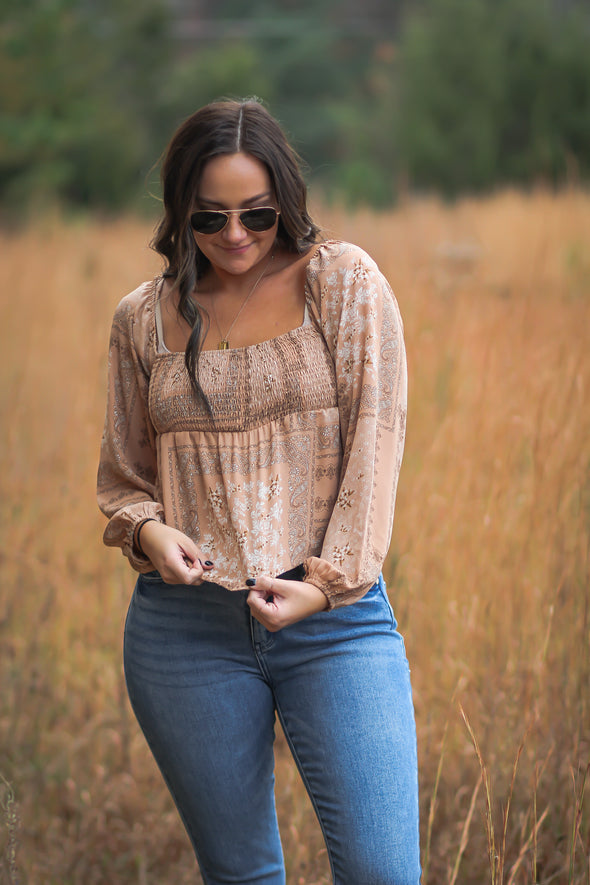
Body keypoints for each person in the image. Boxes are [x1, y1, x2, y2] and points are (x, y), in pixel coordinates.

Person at [97, 98, 420, 885]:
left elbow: (376, 444)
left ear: (287, 200)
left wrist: (327, 582)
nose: (235, 236)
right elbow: (124, 478)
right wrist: (147, 533)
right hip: (184, 633)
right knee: (240, 875)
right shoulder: (142, 320)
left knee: (382, 871)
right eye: (210, 218)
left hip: (335, 622)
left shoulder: (342, 284)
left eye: (258, 213)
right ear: (180, 212)